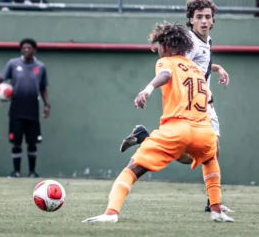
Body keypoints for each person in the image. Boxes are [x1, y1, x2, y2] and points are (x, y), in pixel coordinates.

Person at [82, 22, 234, 223]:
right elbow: (209, 98)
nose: (157, 50)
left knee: (132, 169)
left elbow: (165, 75)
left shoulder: (166, 62)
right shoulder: (197, 69)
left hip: (177, 129)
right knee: (209, 159)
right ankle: (216, 210)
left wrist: (147, 90)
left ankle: (111, 213)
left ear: (167, 46)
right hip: (203, 131)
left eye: (159, 45)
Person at [118, 0, 233, 213]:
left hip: (202, 102)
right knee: (208, 151)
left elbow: (201, 63)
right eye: (199, 17)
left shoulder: (206, 40)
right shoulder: (190, 43)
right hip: (195, 106)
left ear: (213, 20)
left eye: (208, 17)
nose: (204, 21)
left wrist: (217, 68)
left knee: (201, 154)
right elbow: (177, 67)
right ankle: (213, 203)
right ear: (190, 19)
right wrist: (148, 89)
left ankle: (145, 137)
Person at [0, 38, 50, 178]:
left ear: (34, 50)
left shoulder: (40, 67)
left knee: (32, 141)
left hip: (32, 107)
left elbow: (43, 88)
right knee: (16, 141)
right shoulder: (13, 64)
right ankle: (15, 172)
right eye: (23, 48)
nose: (26, 50)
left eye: (29, 48)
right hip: (16, 107)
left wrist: (47, 105)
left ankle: (32, 172)